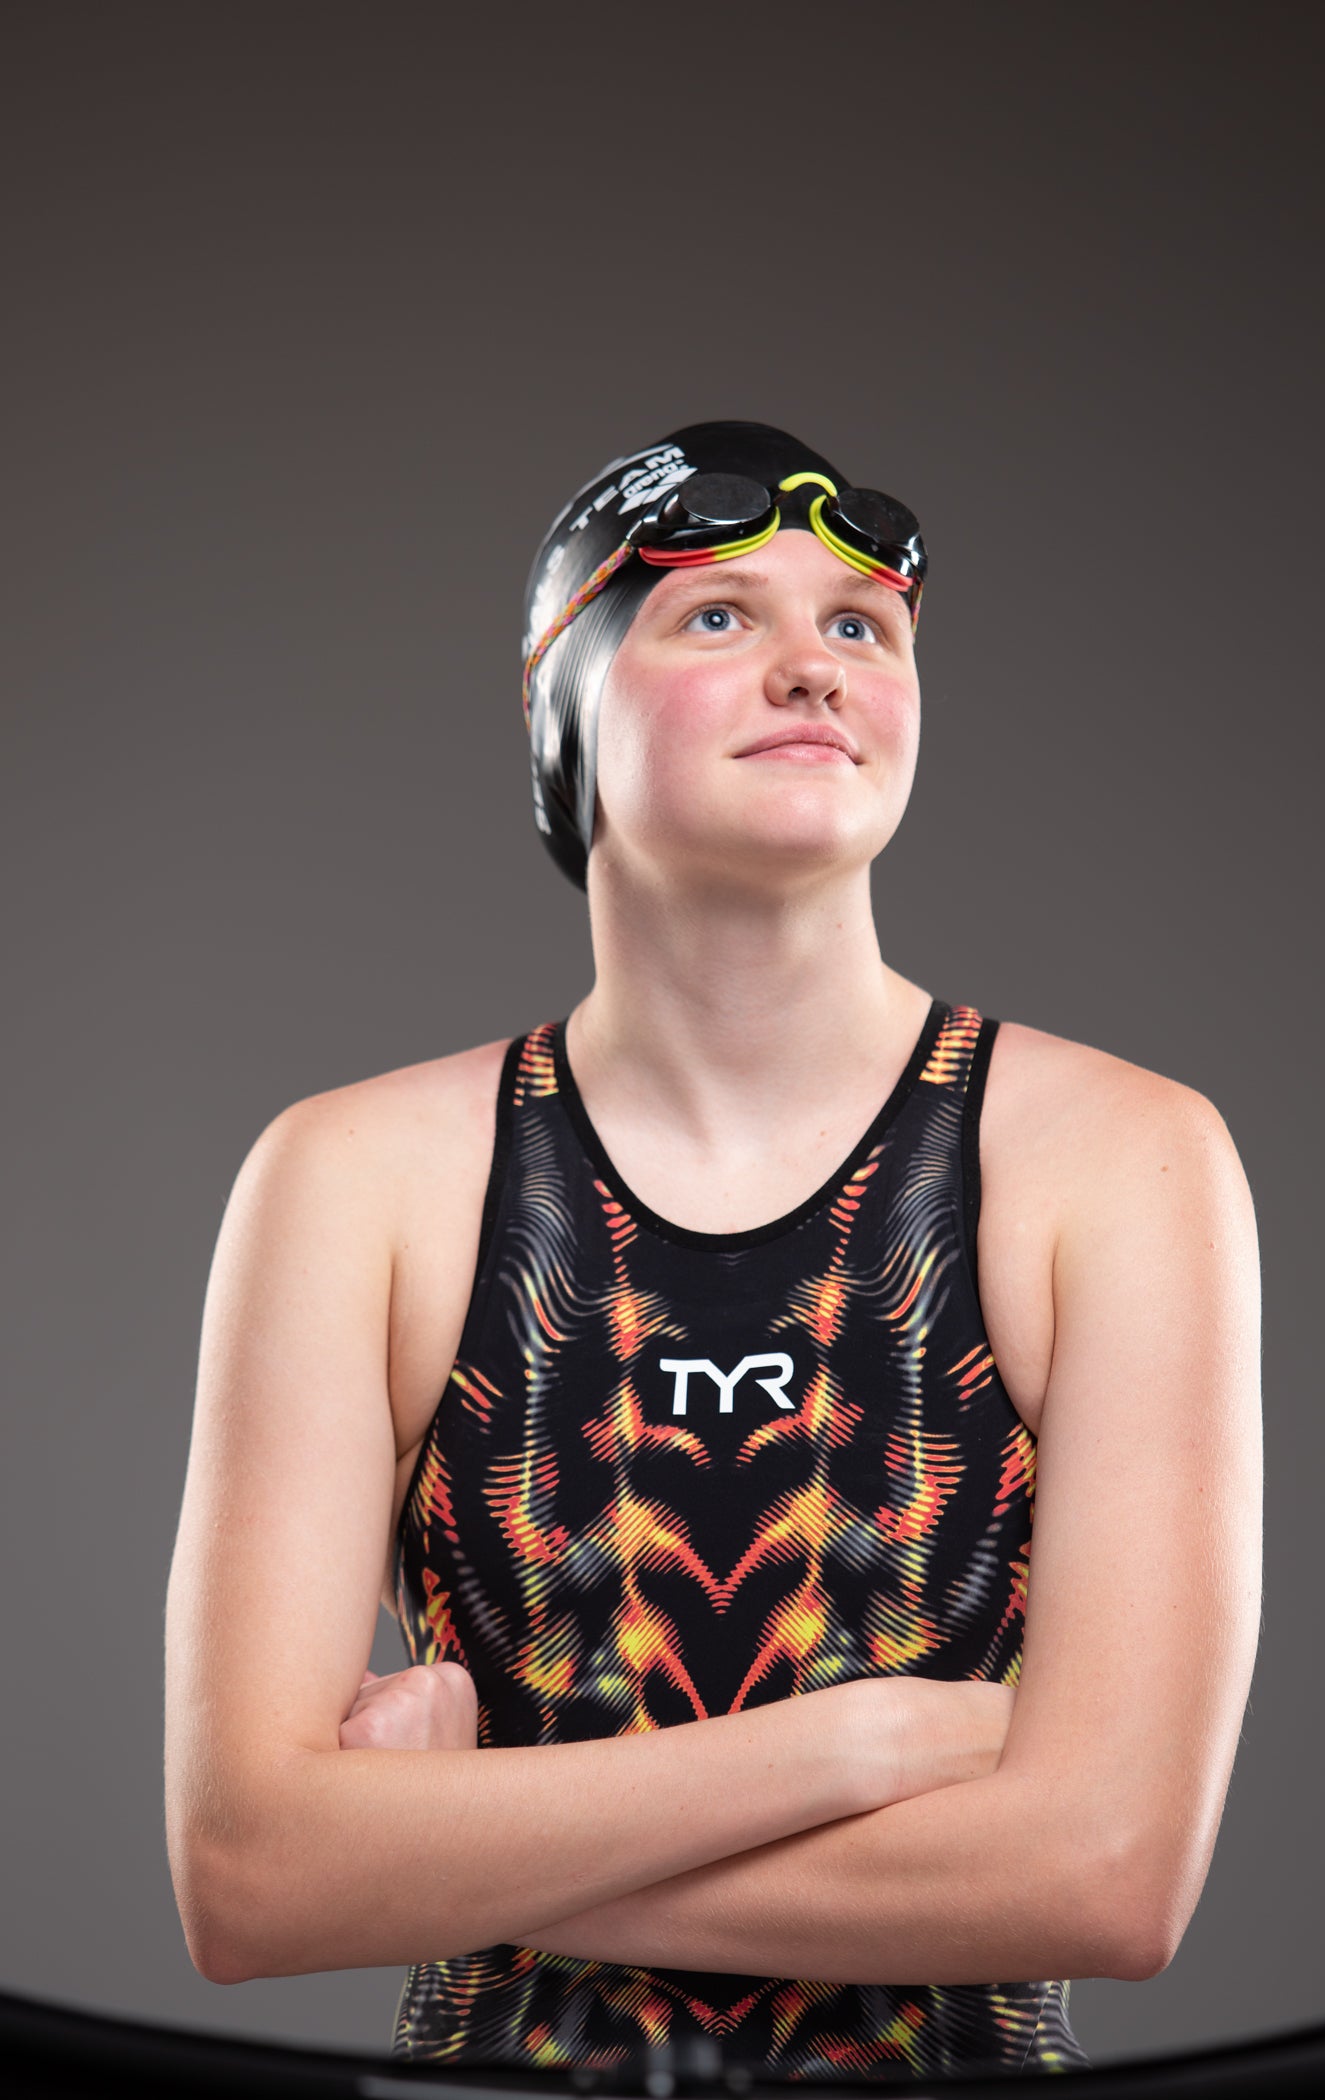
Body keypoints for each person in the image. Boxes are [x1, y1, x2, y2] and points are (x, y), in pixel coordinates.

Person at [164, 421, 1262, 2082]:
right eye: (719, 616)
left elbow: (1107, 1879)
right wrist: (866, 1744)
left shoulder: (1118, 1161)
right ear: (564, 712)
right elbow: (251, 1881)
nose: (815, 668)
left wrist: (446, 1839)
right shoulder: (358, 1180)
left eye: (860, 626)